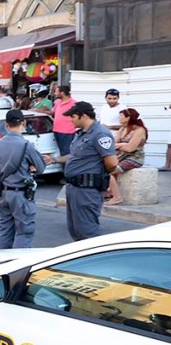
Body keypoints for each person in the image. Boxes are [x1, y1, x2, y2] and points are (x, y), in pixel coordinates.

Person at [52, 101, 118, 241]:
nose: (70, 120)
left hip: (87, 189)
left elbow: (111, 163)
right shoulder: (81, 134)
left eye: (73, 116)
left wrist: (98, 174)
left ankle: (95, 262)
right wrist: (55, 160)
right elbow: (76, 156)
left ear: (83, 116)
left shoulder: (100, 134)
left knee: (87, 232)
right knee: (75, 230)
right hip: (74, 188)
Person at [0, 110, 47, 248]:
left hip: (3, 192)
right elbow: (40, 168)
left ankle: (1, 264)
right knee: (24, 232)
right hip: (20, 193)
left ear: (6, 124)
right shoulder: (26, 145)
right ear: (23, 123)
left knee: (5, 231)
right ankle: (18, 266)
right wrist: (29, 166)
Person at [105, 108, 148, 206]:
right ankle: (109, 191)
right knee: (104, 167)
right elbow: (113, 144)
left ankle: (117, 197)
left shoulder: (139, 130)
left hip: (134, 158)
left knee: (110, 171)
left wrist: (120, 145)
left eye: (121, 116)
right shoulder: (122, 128)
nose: (119, 118)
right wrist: (122, 144)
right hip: (120, 156)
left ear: (128, 118)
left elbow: (130, 148)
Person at [51, 85, 76, 156]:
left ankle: (67, 167)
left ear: (62, 93)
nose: (55, 93)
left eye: (56, 92)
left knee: (66, 152)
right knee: (60, 152)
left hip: (67, 132)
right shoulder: (58, 102)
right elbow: (52, 112)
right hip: (56, 130)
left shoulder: (73, 103)